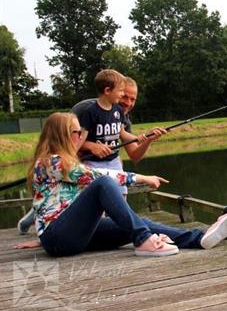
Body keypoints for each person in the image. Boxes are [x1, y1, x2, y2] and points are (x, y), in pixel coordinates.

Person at [14, 113, 227, 256]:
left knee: (134, 222)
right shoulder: (52, 161)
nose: (81, 137)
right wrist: (140, 178)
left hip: (64, 237)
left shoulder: (60, 164)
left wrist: (40, 234)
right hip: (60, 238)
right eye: (77, 132)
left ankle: (198, 238)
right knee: (102, 183)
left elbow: (42, 206)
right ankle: (144, 240)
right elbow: (97, 176)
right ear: (63, 135)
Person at [18, 75, 162, 235]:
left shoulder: (121, 115)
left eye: (132, 99)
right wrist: (90, 146)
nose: (127, 102)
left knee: (119, 205)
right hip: (80, 164)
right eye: (123, 95)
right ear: (110, 91)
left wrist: (147, 139)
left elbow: (134, 154)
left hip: (110, 162)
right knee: (87, 200)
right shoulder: (86, 110)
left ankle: (132, 234)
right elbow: (67, 139)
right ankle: (38, 213)